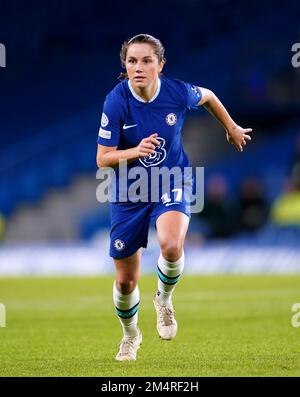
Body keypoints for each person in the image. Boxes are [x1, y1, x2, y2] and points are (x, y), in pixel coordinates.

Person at [96, 33, 252, 361]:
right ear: (124, 66)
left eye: (146, 60)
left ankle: (164, 299)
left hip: (172, 180)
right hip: (130, 191)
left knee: (170, 245)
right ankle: (131, 336)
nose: (139, 67)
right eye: (132, 61)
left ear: (160, 65)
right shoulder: (116, 101)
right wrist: (135, 151)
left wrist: (232, 126)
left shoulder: (177, 92)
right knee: (125, 283)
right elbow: (103, 158)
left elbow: (208, 96)